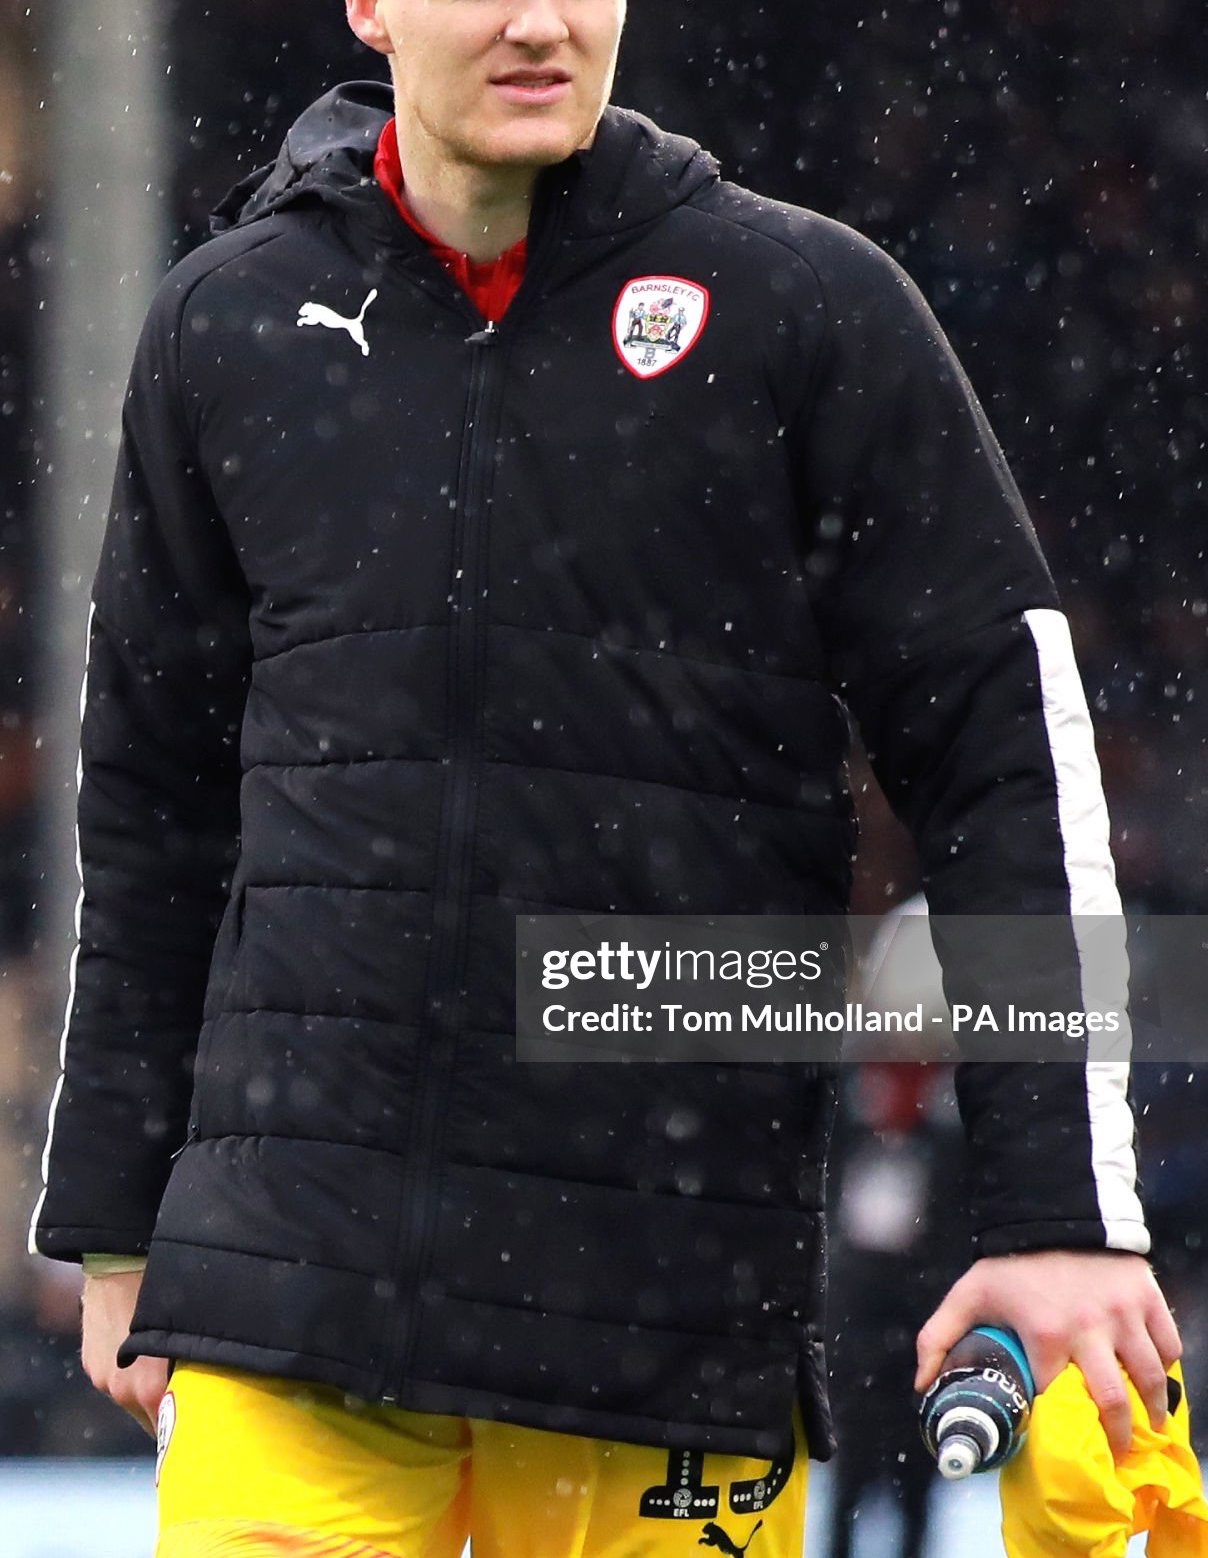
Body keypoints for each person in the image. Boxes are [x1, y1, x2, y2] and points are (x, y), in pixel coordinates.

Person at [29, 2, 1181, 1554]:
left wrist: (1061, 1213)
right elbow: (151, 802)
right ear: (370, 5)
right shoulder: (224, 322)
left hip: (667, 1327)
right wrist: (113, 1216)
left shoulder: (810, 308)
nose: (539, 20)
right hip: (290, 1305)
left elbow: (1005, 761)